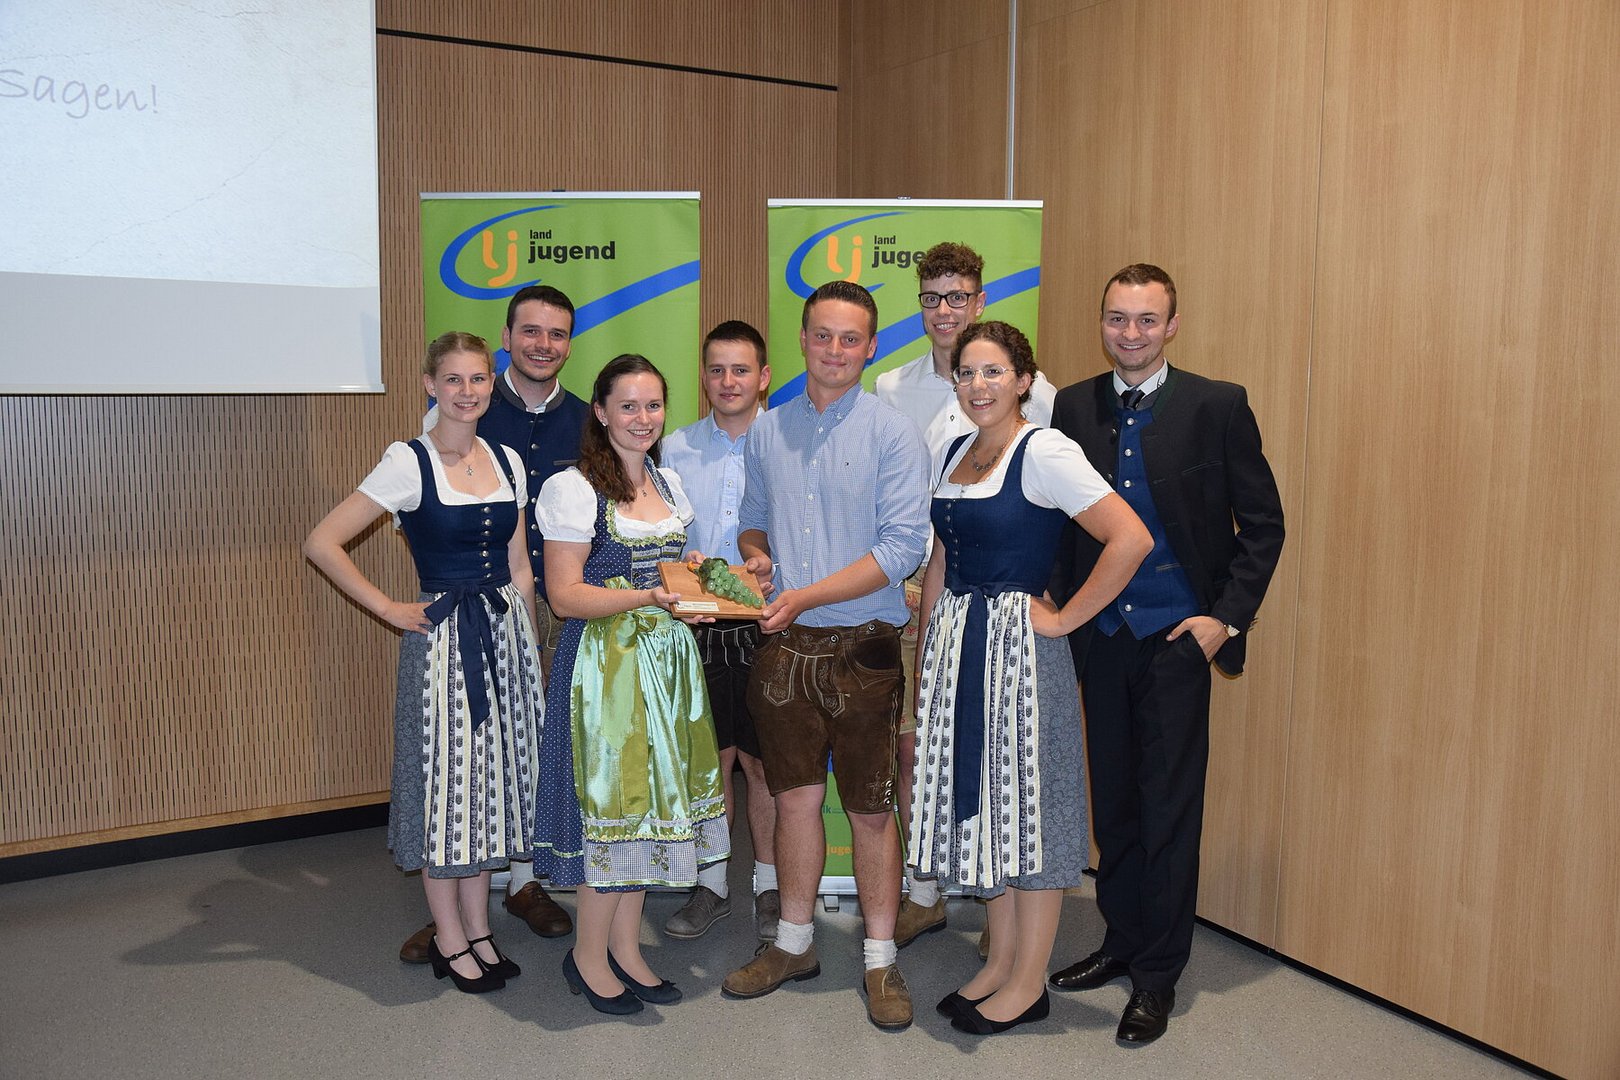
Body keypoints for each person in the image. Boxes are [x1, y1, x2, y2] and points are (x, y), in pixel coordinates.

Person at [1048, 264, 1285, 1044]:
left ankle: (1157, 975)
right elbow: (1062, 523)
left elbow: (1263, 525)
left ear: (1172, 326)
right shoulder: (1072, 405)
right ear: (1102, 323)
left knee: (1169, 811)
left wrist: (1225, 620)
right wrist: (1059, 612)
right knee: (1114, 804)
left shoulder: (1219, 405)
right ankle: (1120, 941)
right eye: (1118, 318)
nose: (1131, 333)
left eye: (1147, 320)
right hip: (1102, 639)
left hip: (1178, 641)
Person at [910, 321, 1150, 1035]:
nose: (978, 385)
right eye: (966, 373)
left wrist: (1067, 617)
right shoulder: (955, 450)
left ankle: (1027, 982)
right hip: (959, 645)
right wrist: (927, 655)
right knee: (991, 809)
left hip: (1019, 651)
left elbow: (1129, 537)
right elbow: (941, 561)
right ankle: (1000, 963)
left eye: (993, 372)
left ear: (1023, 380)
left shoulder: (1044, 450)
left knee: (1031, 813)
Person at [304, 331, 542, 995]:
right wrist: (388, 608)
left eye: (478, 379)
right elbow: (322, 542)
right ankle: (448, 937)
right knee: (448, 790)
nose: (467, 392)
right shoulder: (407, 462)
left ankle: (480, 928)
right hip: (443, 646)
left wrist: (527, 647)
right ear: (431, 386)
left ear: (491, 384)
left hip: (504, 637)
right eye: (453, 380)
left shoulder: (507, 460)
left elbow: (520, 565)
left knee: (488, 790)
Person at [720, 281, 931, 1031]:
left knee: (871, 810)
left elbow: (902, 550)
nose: (834, 350)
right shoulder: (767, 432)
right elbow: (751, 520)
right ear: (803, 340)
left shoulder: (894, 434)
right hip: (784, 649)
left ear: (870, 347)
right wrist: (756, 558)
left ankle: (880, 959)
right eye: (822, 335)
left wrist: (804, 594)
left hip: (864, 652)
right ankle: (794, 944)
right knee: (794, 803)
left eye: (850, 339)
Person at [530, 354, 730, 1015]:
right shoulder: (574, 489)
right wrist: (646, 595)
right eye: (628, 406)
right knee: (615, 809)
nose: (643, 418)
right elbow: (564, 595)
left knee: (647, 810)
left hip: (666, 665)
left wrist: (690, 575)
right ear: (600, 411)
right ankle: (588, 956)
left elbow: (668, 572)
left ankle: (626, 948)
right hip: (605, 669)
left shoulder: (668, 484)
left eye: (653, 405)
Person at [874, 241, 1058, 950]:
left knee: (998, 754)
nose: (945, 310)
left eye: (958, 297)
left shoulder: (1039, 395)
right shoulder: (892, 387)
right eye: (932, 298)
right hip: (918, 588)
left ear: (980, 301)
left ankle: (998, 901)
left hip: (994, 596)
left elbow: (1045, 502)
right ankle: (925, 890)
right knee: (917, 748)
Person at [401, 285, 584, 961]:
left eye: (557, 333)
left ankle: (523, 883)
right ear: (507, 338)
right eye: (530, 331)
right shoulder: (466, 409)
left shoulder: (588, 420)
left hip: (563, 603)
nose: (543, 344)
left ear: (570, 343)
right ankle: (452, 909)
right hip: (480, 607)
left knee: (531, 748)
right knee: (465, 760)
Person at [659, 320, 781, 942]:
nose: (728, 381)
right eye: (716, 369)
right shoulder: (673, 449)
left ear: (763, 378)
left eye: (741, 370)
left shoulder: (787, 442)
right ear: (702, 377)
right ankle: (710, 885)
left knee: (763, 764)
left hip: (769, 624)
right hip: (696, 627)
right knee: (710, 763)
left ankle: (768, 884)